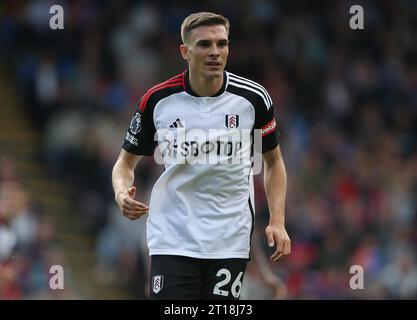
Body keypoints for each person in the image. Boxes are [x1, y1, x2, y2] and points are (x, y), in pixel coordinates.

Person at [112, 11, 290, 300]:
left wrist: (277, 221)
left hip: (230, 238)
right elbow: (124, 163)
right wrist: (121, 193)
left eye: (222, 44)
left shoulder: (253, 99)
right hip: (173, 236)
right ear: (185, 51)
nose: (215, 52)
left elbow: (274, 162)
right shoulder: (158, 100)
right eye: (205, 44)